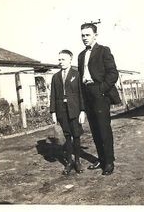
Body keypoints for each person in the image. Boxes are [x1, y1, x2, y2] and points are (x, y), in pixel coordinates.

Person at [78, 23, 121, 175]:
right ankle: (101, 159)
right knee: (95, 130)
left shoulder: (104, 51)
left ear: (95, 35)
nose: (84, 38)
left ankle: (109, 162)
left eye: (87, 35)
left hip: (100, 92)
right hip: (87, 94)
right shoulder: (81, 55)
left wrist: (101, 89)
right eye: (82, 35)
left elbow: (112, 73)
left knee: (104, 129)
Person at [50, 50, 85, 175]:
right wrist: (53, 112)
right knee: (67, 136)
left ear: (70, 59)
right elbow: (53, 95)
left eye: (63, 59)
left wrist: (82, 111)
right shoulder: (55, 77)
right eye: (59, 59)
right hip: (62, 110)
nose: (61, 62)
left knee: (76, 135)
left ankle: (77, 161)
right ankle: (69, 162)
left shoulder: (77, 74)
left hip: (74, 110)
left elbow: (82, 94)